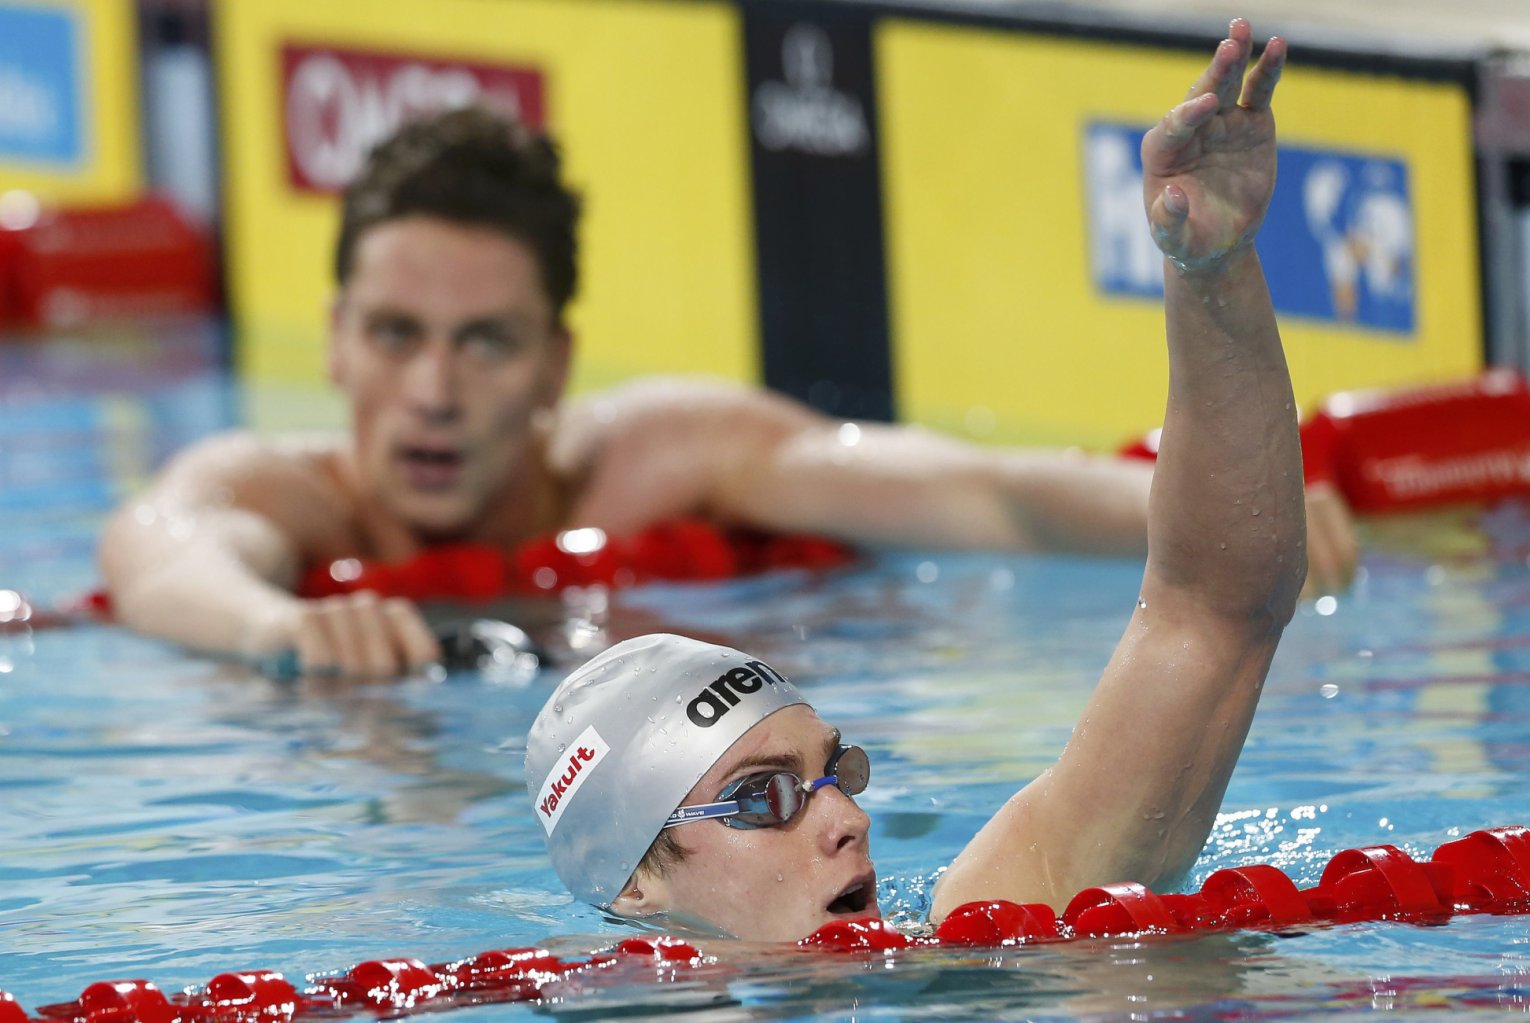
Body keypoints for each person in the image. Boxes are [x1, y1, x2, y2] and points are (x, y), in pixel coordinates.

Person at [99, 20, 1348, 678]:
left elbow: (985, 496)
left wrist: (1217, 509)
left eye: (485, 342)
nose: (431, 390)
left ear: (553, 361)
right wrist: (282, 633)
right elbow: (161, 552)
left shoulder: (657, 456)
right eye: (394, 336)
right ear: (331, 342)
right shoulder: (280, 494)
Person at [526, 20, 1304, 940]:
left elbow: (1215, 611)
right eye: (766, 798)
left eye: (836, 771)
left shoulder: (986, 936)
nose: (849, 820)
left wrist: (1211, 271)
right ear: (636, 882)